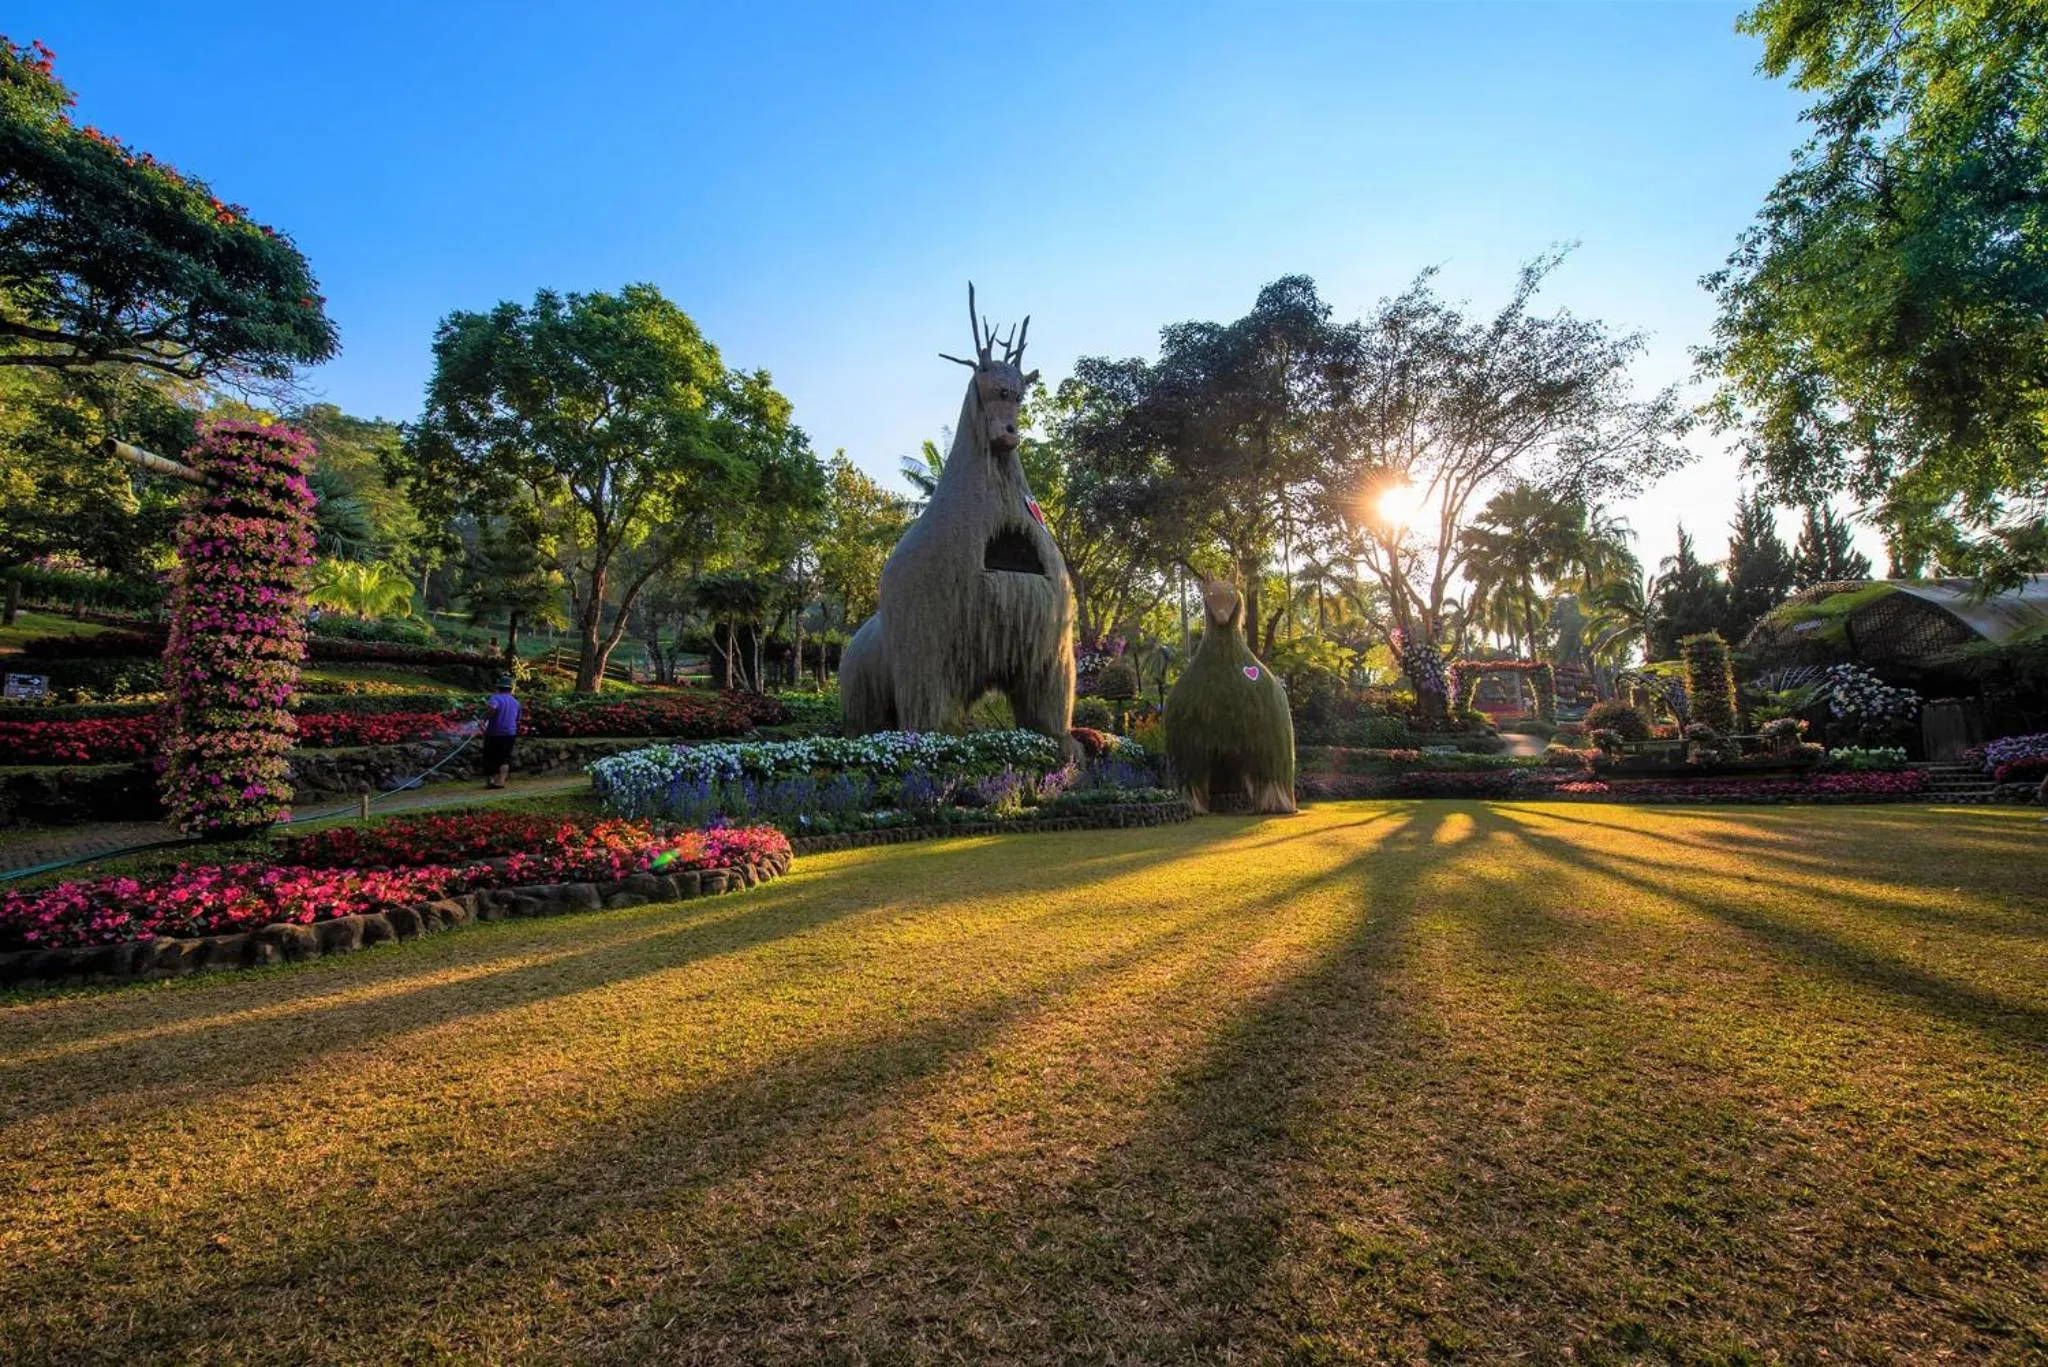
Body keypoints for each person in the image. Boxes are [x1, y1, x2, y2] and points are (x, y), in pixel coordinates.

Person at [481, 675, 520, 789]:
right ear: (511, 689)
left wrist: (484, 720)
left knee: (490, 757)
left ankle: (491, 781)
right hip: (509, 733)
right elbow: (517, 719)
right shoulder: (516, 702)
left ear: (498, 687)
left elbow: (492, 708)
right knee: (505, 758)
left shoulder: (495, 698)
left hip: (494, 733)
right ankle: (501, 781)